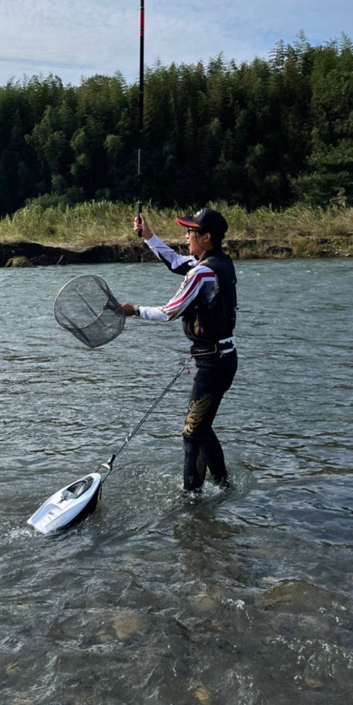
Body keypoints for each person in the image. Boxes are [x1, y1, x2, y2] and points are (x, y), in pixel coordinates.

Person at [120, 207, 238, 492]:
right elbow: (176, 262)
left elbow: (168, 312)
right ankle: (223, 485)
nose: (186, 236)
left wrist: (133, 310)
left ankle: (192, 500)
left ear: (207, 238)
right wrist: (148, 236)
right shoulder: (219, 262)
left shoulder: (203, 273)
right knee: (202, 426)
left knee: (191, 433)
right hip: (220, 358)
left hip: (214, 363)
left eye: (191, 232)